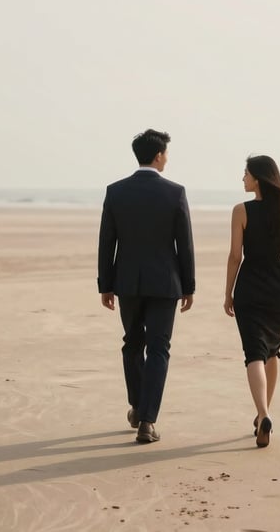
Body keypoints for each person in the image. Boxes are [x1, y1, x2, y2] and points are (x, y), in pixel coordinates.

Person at [98, 128, 195, 444]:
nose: (167, 158)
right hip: (165, 282)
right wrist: (188, 286)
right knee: (158, 349)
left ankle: (138, 407)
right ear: (158, 156)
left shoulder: (116, 191)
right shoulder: (175, 192)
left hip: (127, 281)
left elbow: (106, 242)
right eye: (166, 153)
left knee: (131, 343)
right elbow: (185, 244)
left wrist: (105, 284)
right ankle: (147, 421)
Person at [224, 155, 280, 448]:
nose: (243, 179)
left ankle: (263, 413)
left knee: (254, 353)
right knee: (271, 350)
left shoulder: (241, 211)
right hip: (278, 288)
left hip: (250, 285)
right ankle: (263, 416)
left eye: (246, 174)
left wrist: (228, 292)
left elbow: (236, 256)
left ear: (257, 178)